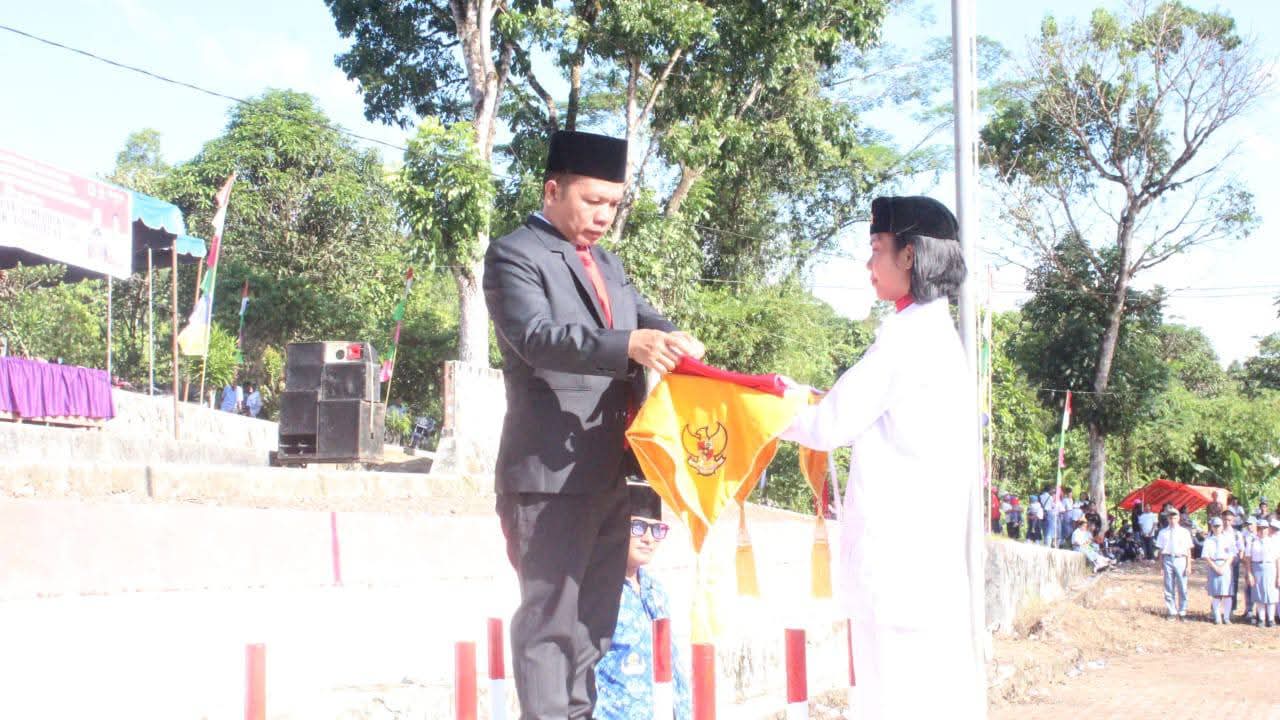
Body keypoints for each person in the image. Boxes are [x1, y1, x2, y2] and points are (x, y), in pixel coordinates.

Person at [483, 129, 704, 719]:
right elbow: (536, 337)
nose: (605, 215)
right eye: (593, 201)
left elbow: (644, 317)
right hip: (549, 477)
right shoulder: (515, 254)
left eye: (614, 203)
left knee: (592, 628)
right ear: (552, 191)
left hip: (610, 476)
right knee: (550, 626)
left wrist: (675, 338)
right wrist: (628, 345)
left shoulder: (607, 263)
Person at [780, 195, 983, 718]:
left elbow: (828, 424)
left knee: (892, 702)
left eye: (876, 249)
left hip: (897, 572)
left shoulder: (907, 338)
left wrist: (762, 405)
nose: (867, 264)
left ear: (909, 256)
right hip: (920, 568)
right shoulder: (933, 335)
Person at [594, 481, 691, 720]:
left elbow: (672, 662)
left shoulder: (655, 591)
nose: (648, 538)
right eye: (637, 527)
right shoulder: (597, 591)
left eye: (657, 530)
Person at [1155, 507, 1194, 620]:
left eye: (1175, 517)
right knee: (1168, 586)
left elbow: (1188, 550)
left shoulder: (1184, 532)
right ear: (1167, 518)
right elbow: (1161, 550)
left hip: (1180, 559)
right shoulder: (1163, 532)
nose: (1172, 520)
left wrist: (1189, 565)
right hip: (1167, 559)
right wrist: (1161, 566)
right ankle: (1172, 611)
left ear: (1178, 518)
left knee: (1182, 586)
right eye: (1170, 517)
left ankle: (1182, 611)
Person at [1245, 519, 1280, 627]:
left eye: (1265, 528)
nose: (1262, 530)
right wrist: (1249, 574)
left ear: (1268, 529)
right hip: (1257, 567)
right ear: (1257, 529)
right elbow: (1248, 559)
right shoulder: (1252, 541)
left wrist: (1278, 576)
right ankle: (1261, 619)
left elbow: (1277, 559)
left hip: (1270, 567)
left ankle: (1271, 619)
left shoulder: (1273, 542)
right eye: (1260, 528)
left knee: (1271, 594)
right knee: (1259, 594)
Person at [1200, 517, 1234, 624]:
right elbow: (1206, 556)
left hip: (1226, 565)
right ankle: (1217, 617)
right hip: (1213, 565)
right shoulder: (1208, 540)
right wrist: (1215, 567)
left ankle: (1227, 617)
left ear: (1222, 526)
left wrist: (1224, 566)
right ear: (1212, 527)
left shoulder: (1228, 539)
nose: (1217, 528)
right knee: (1216, 593)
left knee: (1227, 593)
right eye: (1215, 526)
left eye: (1218, 526)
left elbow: (1232, 554)